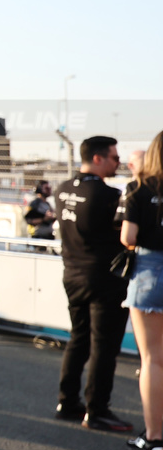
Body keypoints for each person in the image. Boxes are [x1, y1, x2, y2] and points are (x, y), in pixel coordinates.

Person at [53, 136, 132, 431]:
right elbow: (127, 235)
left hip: (71, 273)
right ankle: (97, 410)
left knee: (79, 338)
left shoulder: (61, 190)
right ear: (97, 158)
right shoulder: (107, 195)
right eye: (114, 157)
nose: (118, 162)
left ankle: (66, 400)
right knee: (104, 345)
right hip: (103, 278)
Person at [122, 132, 163, 450]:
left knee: (152, 360)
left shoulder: (138, 188)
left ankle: (154, 436)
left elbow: (128, 236)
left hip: (150, 271)